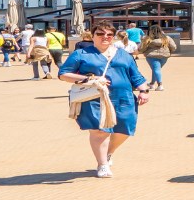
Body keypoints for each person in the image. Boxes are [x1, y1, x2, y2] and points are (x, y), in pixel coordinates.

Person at [58, 18, 151, 178]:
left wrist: (144, 91)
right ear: (92, 36)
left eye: (109, 34)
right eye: (100, 34)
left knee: (125, 129)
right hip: (94, 98)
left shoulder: (123, 54)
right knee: (100, 132)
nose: (105, 37)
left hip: (123, 98)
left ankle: (108, 153)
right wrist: (88, 79)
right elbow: (63, 74)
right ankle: (102, 165)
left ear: (113, 36)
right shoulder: (81, 53)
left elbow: (135, 75)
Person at [136, 25, 175, 91]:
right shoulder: (166, 38)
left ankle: (160, 85)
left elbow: (142, 48)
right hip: (164, 56)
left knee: (156, 69)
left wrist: (140, 51)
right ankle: (152, 84)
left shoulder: (148, 39)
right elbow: (173, 46)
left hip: (152, 56)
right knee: (156, 70)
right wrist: (169, 51)